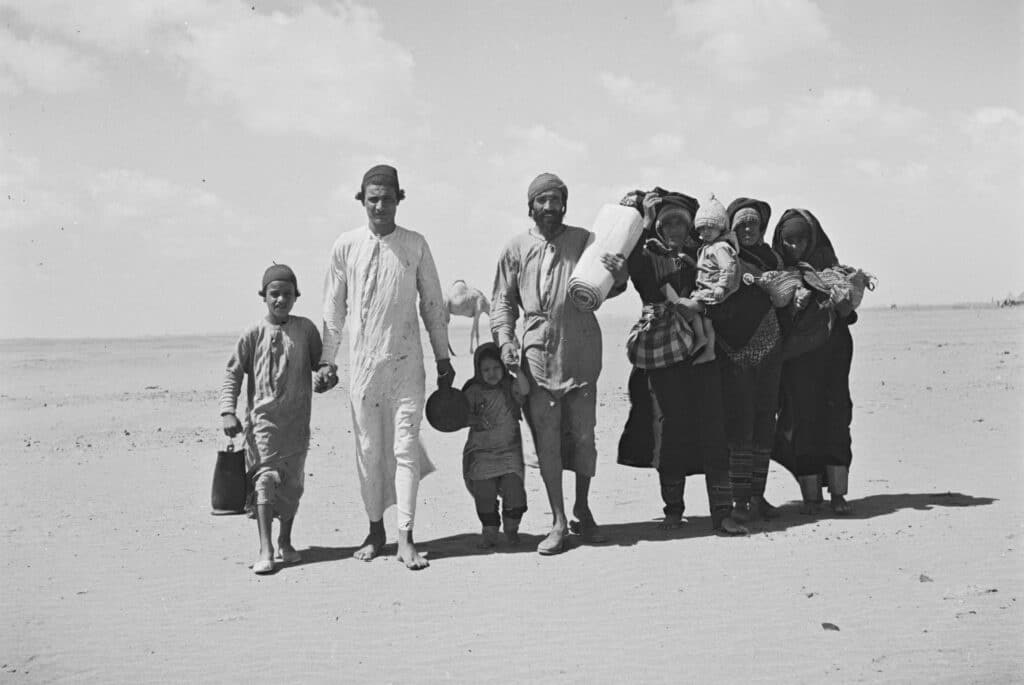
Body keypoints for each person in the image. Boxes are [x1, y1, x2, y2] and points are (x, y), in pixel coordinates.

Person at [317, 164, 455, 570]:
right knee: (368, 452)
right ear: (362, 200)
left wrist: (443, 357)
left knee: (405, 449)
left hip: (407, 366)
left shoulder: (415, 244)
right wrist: (327, 360)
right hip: (364, 370)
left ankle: (405, 538)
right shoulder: (346, 245)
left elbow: (433, 304)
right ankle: (375, 530)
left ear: (399, 199)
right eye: (373, 199)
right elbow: (333, 309)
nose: (380, 206)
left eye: (387, 198)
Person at [490, 172, 628, 555]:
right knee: (546, 439)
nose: (549, 207)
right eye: (542, 200)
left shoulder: (585, 240)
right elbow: (502, 302)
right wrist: (505, 342)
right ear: (530, 206)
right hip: (537, 353)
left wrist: (620, 274)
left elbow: (609, 286)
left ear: (565, 204)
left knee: (584, 436)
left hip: (582, 348)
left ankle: (583, 508)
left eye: (556, 200)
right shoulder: (516, 247)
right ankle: (558, 520)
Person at [616, 189, 747, 535]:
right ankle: (673, 510)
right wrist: (645, 223)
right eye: (667, 223)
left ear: (690, 226)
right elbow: (639, 276)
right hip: (663, 351)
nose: (674, 228)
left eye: (680, 222)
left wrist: (699, 305)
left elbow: (725, 288)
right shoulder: (646, 253)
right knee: (670, 429)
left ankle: (722, 513)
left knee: (714, 429)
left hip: (702, 352)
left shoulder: (704, 252)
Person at [220, 264, 330, 574]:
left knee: (292, 485)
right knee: (265, 480)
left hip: (296, 425)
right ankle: (265, 547)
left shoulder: (306, 330)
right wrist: (228, 411)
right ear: (264, 296)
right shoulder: (253, 334)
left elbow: (321, 365)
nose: (281, 299)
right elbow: (232, 373)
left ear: (296, 296)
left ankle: (285, 540)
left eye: (287, 294)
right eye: (274, 294)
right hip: (262, 424)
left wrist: (326, 377)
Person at [770, 209, 856, 515]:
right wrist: (792, 307)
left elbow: (848, 315)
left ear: (813, 238)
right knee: (801, 420)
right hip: (797, 359)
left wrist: (842, 305)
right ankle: (810, 496)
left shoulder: (833, 271)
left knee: (837, 417)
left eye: (801, 240)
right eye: (789, 241)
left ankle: (838, 494)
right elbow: (770, 318)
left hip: (834, 354)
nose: (795, 246)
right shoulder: (777, 273)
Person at [720, 197, 785, 522]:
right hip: (732, 351)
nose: (748, 229)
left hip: (770, 346)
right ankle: (739, 501)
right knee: (740, 426)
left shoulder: (772, 258)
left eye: (753, 224)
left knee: (764, 423)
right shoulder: (723, 255)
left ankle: (758, 496)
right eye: (741, 224)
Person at [461, 342, 531, 548]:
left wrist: (517, 371)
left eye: (496, 368)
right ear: (478, 370)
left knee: (514, 491)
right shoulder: (473, 391)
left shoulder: (510, 386)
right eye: (486, 370)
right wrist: (474, 420)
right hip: (481, 453)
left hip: (509, 451)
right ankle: (489, 532)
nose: (491, 373)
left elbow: (525, 390)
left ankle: (511, 530)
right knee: (484, 494)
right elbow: (459, 415)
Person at [688, 194, 742, 364]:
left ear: (720, 228)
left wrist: (721, 286)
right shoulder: (708, 246)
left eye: (710, 227)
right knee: (705, 320)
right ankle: (704, 341)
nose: (706, 232)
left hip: (712, 291)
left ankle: (705, 343)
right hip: (704, 290)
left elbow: (728, 267)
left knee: (693, 310)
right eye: (702, 228)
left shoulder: (720, 247)